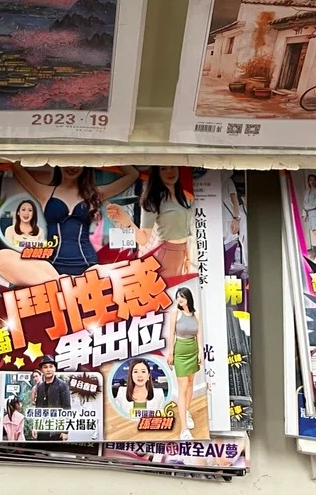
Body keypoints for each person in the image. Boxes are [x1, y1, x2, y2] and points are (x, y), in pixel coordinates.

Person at [0, 165, 139, 285]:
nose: (71, 167)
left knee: (122, 271)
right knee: (1, 257)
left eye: (76, 162)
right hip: (51, 268)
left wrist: (102, 155)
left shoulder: (94, 194)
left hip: (87, 265)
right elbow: (18, 169)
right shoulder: (45, 192)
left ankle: (65, 285)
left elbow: (132, 175)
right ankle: (66, 284)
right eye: (67, 161)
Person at [105, 166, 193, 280]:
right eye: (163, 169)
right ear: (157, 173)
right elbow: (143, 239)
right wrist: (126, 220)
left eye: (172, 167)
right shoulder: (154, 200)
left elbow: (185, 232)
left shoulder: (182, 197)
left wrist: (187, 257)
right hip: (166, 254)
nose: (169, 172)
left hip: (181, 254)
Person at [167, 287, 201, 436]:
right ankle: (184, 429)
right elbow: (171, 334)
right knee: (182, 388)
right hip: (180, 351)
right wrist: (170, 353)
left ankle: (186, 412)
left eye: (182, 297)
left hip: (193, 350)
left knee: (190, 382)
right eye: (178, 297)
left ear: (188, 298)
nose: (179, 300)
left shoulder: (196, 314)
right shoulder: (175, 313)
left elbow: (199, 333)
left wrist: (200, 351)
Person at [32, 356, 71, 441]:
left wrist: (65, 431)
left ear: (55, 369)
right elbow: (38, 408)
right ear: (42, 370)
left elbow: (67, 409)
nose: (48, 369)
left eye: (51, 366)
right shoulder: (40, 387)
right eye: (45, 367)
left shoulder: (62, 386)